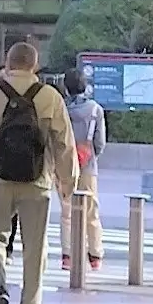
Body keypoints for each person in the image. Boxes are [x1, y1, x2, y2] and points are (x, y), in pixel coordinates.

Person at [0, 43, 77, 304]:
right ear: (35, 65)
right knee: (35, 244)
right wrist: (67, 181)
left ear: (7, 61)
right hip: (37, 180)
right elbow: (64, 143)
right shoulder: (49, 96)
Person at [63, 70, 107, 272]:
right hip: (88, 164)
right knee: (91, 211)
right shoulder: (96, 110)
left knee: (67, 211)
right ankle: (95, 254)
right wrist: (89, 156)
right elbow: (100, 142)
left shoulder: (62, 108)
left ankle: (68, 255)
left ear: (66, 87)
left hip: (64, 166)